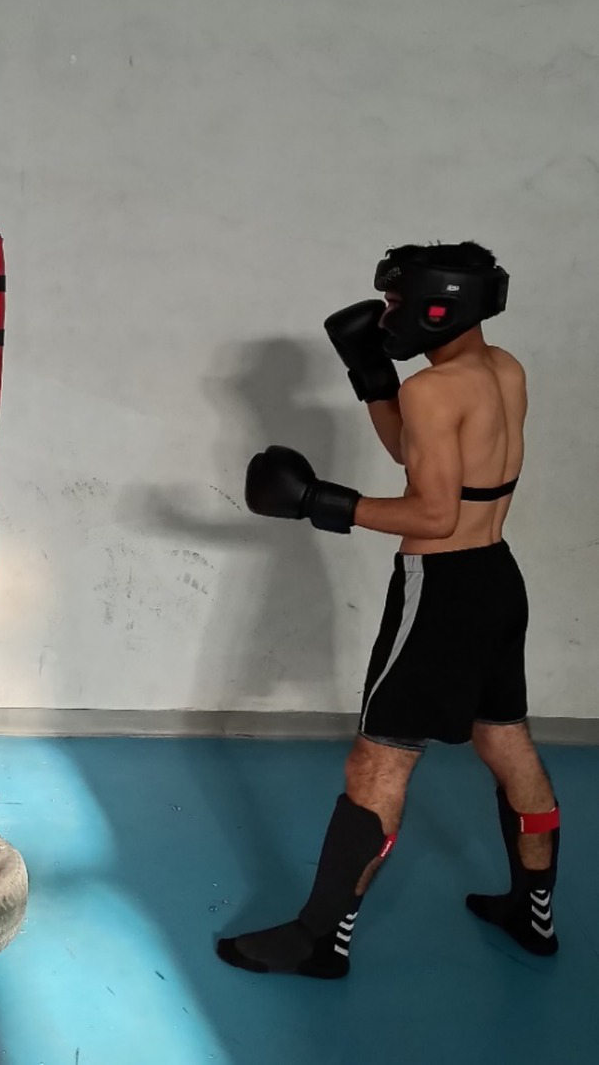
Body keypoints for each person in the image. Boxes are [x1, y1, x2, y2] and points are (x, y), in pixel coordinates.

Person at [216, 241, 560, 979]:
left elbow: (433, 513)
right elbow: (423, 454)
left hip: (439, 591)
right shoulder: (502, 371)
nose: (391, 316)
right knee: (509, 745)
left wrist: (318, 503)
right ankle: (535, 912)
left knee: (377, 760)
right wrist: (373, 376)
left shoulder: (436, 391)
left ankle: (319, 937)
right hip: (499, 579)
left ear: (444, 302)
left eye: (401, 304)